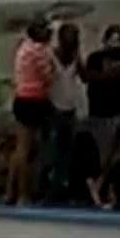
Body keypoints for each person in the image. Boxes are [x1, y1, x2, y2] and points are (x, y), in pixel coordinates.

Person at [80, 24, 120, 208]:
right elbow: (92, 78)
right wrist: (115, 75)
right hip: (102, 115)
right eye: (112, 39)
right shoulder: (95, 58)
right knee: (105, 156)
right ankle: (103, 187)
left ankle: (102, 184)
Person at [6, 19, 56, 205]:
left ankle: (10, 191)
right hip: (34, 100)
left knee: (19, 148)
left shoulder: (23, 48)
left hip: (21, 97)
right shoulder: (39, 51)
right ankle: (23, 194)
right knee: (27, 150)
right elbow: (48, 76)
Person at [42, 21, 83, 202]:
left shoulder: (75, 57)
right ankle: (49, 189)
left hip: (70, 109)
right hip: (54, 109)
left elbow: (85, 76)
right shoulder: (51, 56)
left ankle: (62, 188)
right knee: (53, 152)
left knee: (67, 153)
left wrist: (79, 59)